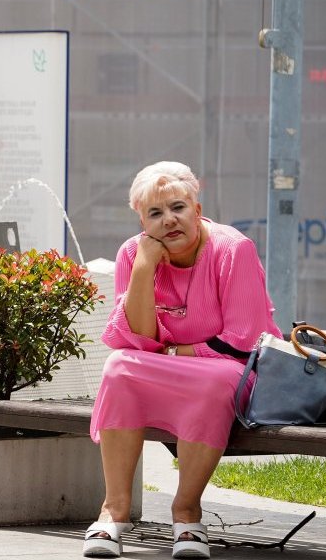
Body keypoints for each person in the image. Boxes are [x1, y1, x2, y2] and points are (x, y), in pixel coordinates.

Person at [84, 161, 281, 559]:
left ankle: (187, 512)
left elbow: (242, 341)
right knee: (119, 368)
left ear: (197, 208)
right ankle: (113, 511)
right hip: (171, 367)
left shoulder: (233, 249)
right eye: (155, 213)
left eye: (178, 207)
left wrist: (173, 351)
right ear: (142, 220)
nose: (169, 220)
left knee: (211, 381)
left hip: (228, 370)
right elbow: (134, 340)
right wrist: (143, 267)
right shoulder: (132, 253)